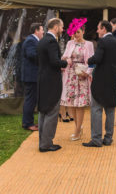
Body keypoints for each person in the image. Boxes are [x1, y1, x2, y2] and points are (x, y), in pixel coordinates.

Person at [83, 20, 116, 147]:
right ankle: (108, 138)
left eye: (98, 28)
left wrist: (88, 60)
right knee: (110, 109)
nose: (97, 31)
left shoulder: (103, 42)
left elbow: (98, 58)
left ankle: (96, 139)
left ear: (104, 29)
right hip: (112, 79)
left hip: (100, 79)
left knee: (96, 109)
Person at [37, 18, 71, 152]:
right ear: (56, 27)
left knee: (43, 111)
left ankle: (42, 142)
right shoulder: (51, 41)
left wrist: (57, 62)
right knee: (51, 111)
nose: (63, 30)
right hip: (51, 81)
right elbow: (54, 62)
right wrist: (65, 62)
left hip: (42, 79)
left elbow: (43, 61)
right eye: (62, 27)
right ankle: (46, 144)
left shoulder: (42, 41)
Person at [60, 18, 94, 141]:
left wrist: (87, 73)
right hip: (70, 76)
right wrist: (66, 59)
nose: (76, 35)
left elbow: (91, 62)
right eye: (74, 32)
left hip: (82, 76)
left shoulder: (88, 44)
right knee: (71, 104)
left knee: (80, 105)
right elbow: (64, 56)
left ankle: (77, 130)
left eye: (78, 32)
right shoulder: (70, 43)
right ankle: (78, 127)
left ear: (83, 31)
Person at [21, 22, 44, 131]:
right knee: (30, 100)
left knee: (32, 99)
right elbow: (32, 55)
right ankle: (28, 123)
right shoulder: (31, 40)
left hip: (33, 75)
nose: (43, 32)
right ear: (36, 30)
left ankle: (28, 122)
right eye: (41, 30)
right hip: (31, 76)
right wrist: (45, 56)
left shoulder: (33, 40)